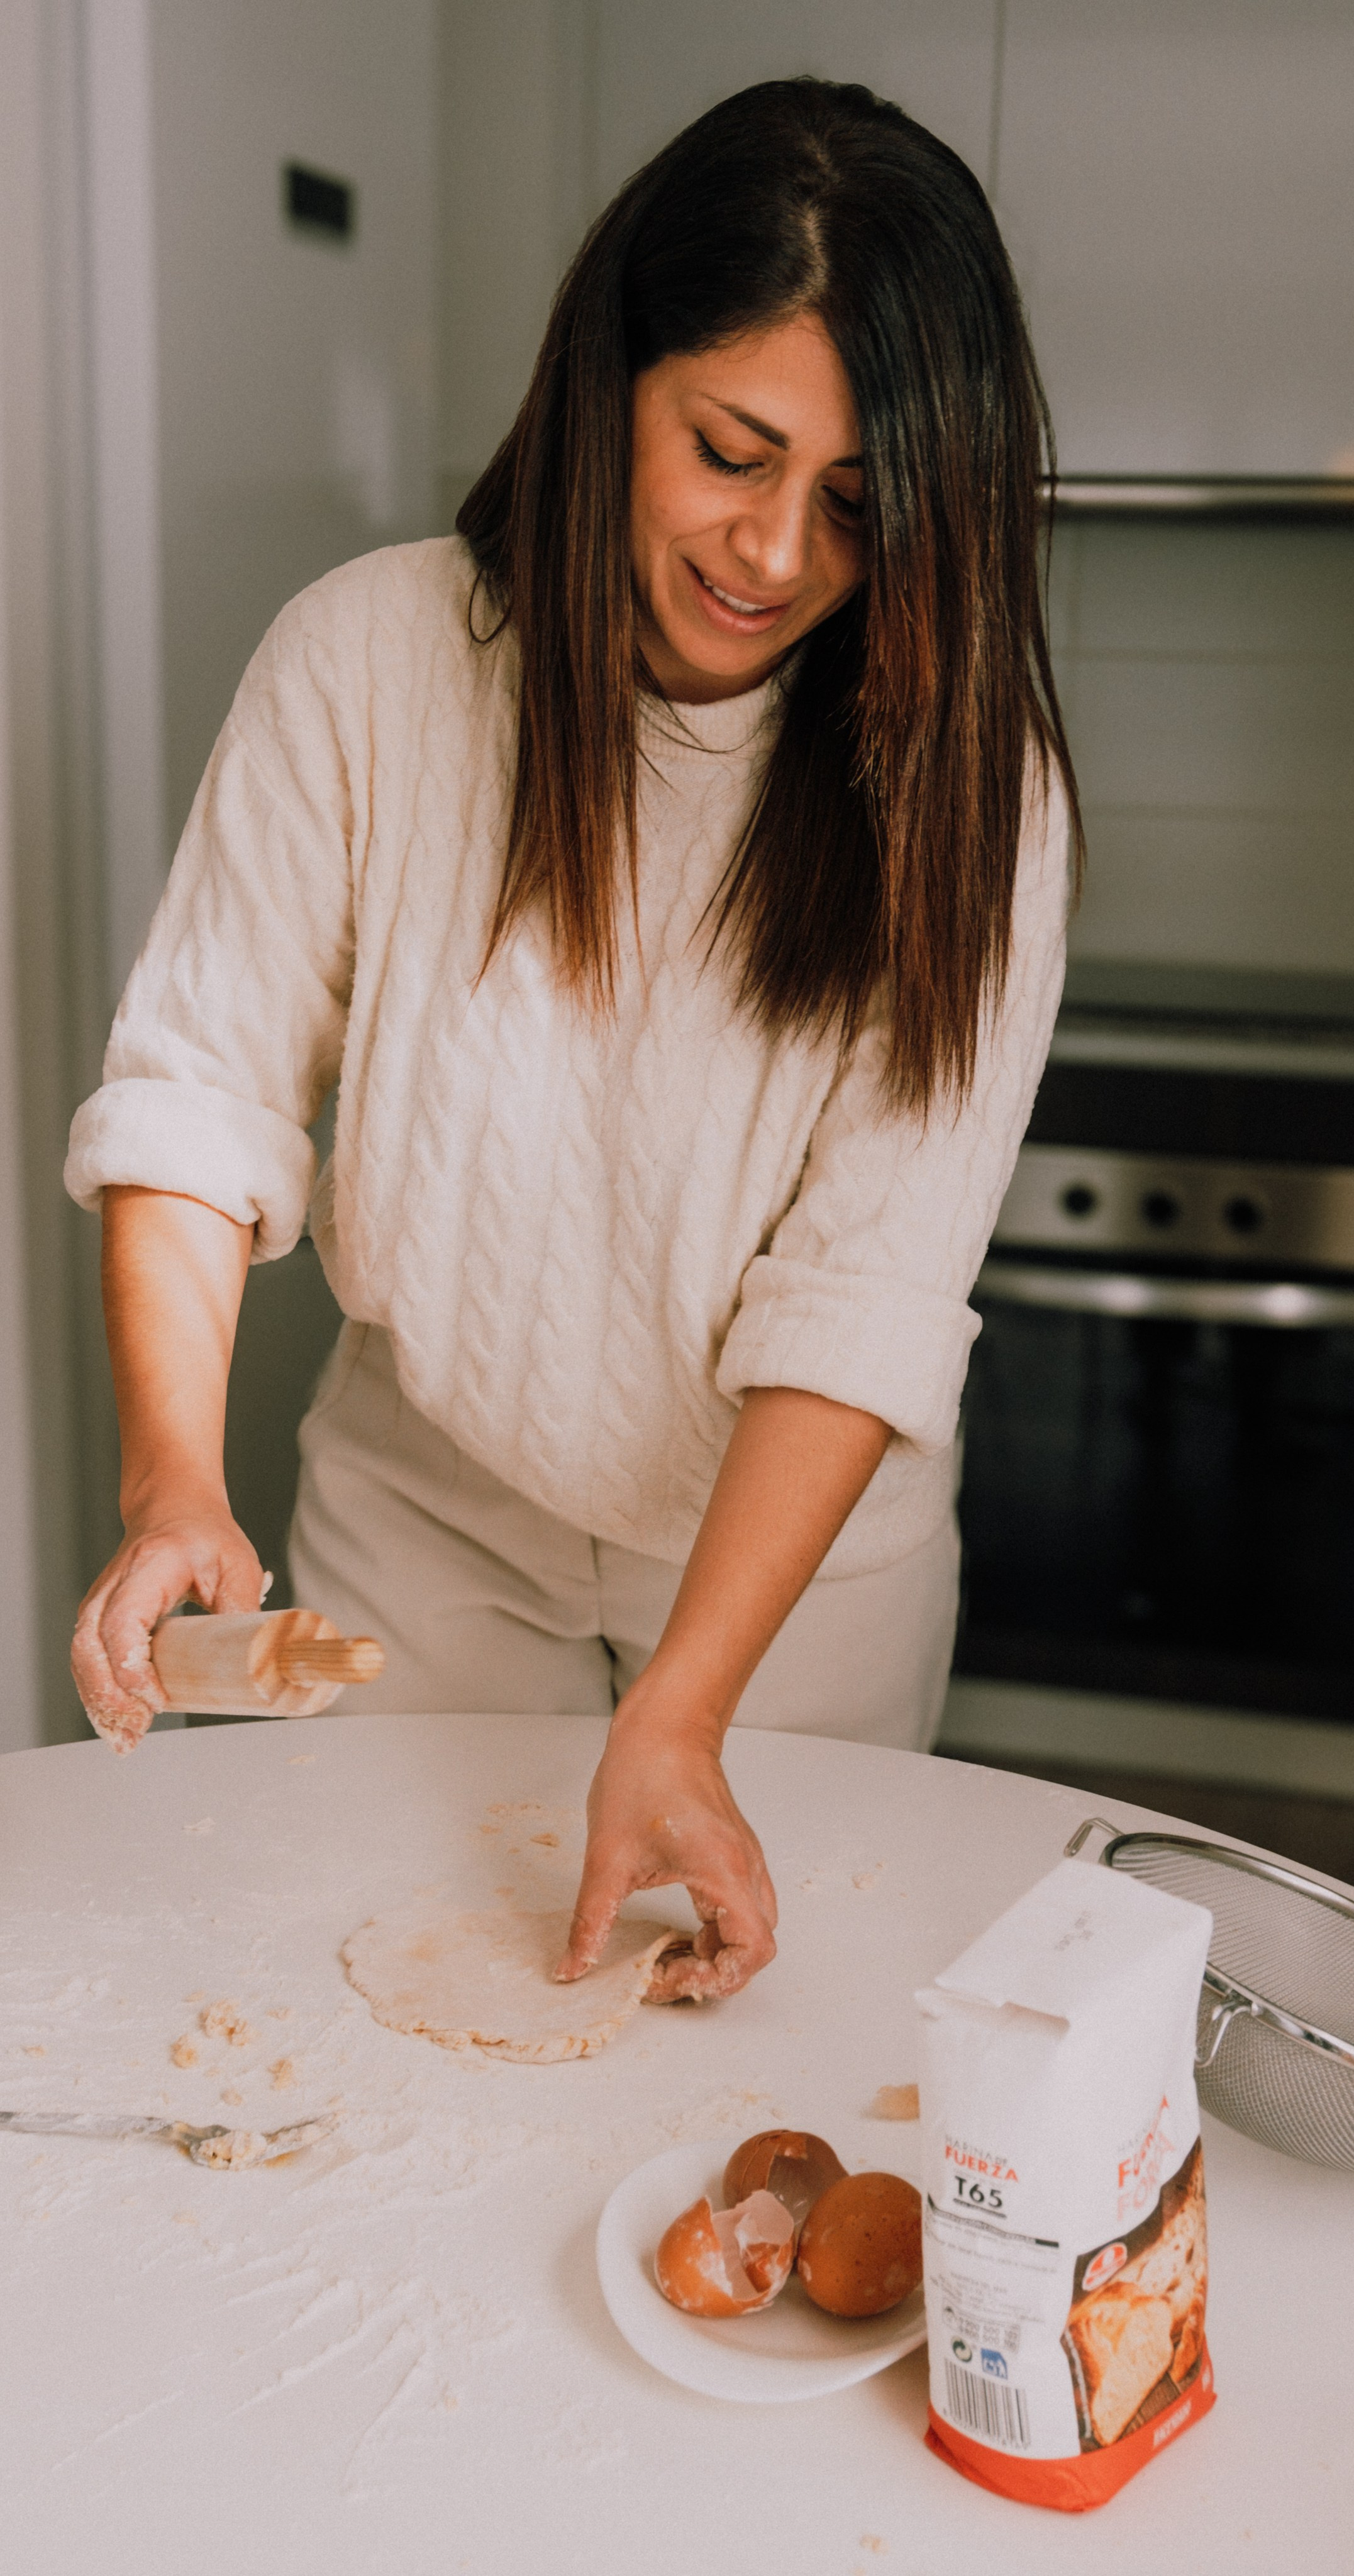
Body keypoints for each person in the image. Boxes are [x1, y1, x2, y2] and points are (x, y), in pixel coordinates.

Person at [65, 77, 1079, 2004]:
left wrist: (687, 1709)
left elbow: (862, 1296)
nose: (775, 553)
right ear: (618, 372)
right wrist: (169, 1486)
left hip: (796, 1582)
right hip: (426, 1520)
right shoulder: (371, 664)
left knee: (743, 2069)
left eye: (858, 505)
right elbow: (198, 1105)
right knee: (355, 2028)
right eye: (732, 450)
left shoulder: (973, 798)